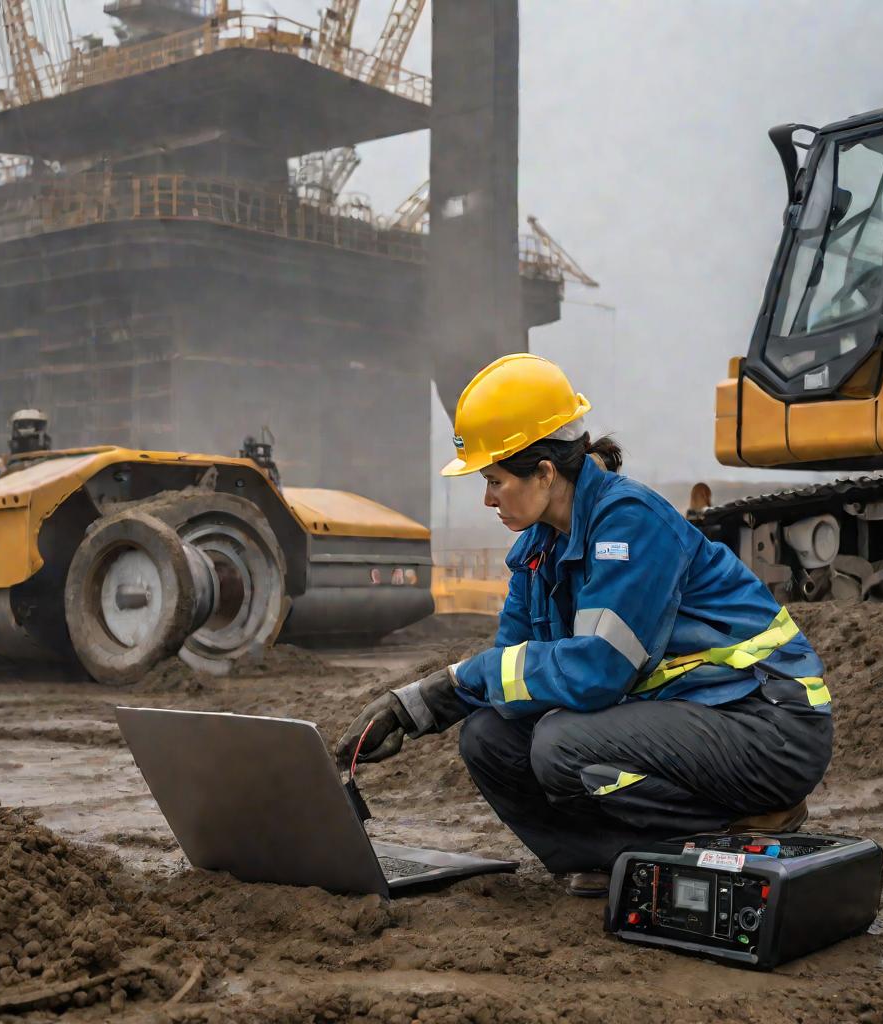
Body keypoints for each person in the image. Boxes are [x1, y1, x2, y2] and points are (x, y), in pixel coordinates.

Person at [336, 353, 832, 897]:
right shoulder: (535, 553)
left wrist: (452, 681)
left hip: (768, 725)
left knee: (560, 743)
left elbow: (600, 668)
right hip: (692, 719)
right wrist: (415, 708)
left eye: (496, 480)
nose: (487, 498)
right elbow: (510, 674)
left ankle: (751, 818)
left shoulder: (631, 524)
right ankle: (608, 860)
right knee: (489, 737)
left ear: (545, 472)